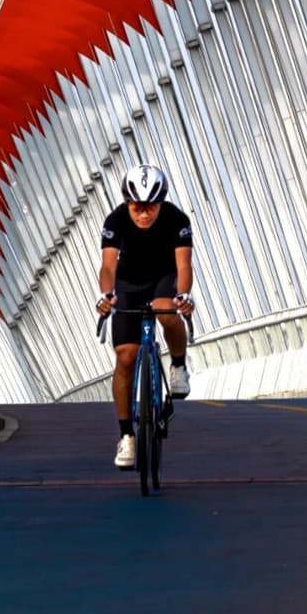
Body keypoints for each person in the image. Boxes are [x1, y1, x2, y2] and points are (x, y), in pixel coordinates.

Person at [96, 163, 194, 469]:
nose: (144, 214)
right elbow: (109, 267)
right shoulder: (114, 221)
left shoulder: (177, 219)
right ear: (128, 202)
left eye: (151, 206)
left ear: (161, 201)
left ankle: (178, 365)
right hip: (128, 283)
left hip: (162, 278)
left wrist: (185, 295)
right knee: (125, 357)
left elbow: (184, 266)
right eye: (137, 207)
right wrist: (105, 295)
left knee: (166, 310)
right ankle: (127, 436)